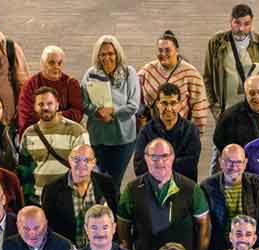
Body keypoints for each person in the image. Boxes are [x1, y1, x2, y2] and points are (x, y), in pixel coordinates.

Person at [118, 138, 211, 250]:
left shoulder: (191, 189)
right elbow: (123, 227)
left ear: (172, 157)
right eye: (153, 157)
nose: (159, 162)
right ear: (146, 158)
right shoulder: (132, 190)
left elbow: (204, 225)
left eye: (164, 156)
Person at [203, 3, 259, 120]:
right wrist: (215, 108)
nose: (241, 28)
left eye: (246, 24)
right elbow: (208, 77)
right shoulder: (216, 43)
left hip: (256, 110)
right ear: (230, 21)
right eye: (237, 23)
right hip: (227, 111)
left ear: (252, 22)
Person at [83, 35, 140, 184]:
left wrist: (112, 111)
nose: (107, 57)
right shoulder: (90, 74)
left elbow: (134, 105)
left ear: (117, 54)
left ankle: (114, 208)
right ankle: (99, 208)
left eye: (110, 53)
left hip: (122, 139)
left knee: (114, 182)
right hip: (97, 139)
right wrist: (97, 112)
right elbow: (83, 103)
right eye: (103, 54)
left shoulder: (129, 73)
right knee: (96, 182)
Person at [17, 87, 91, 204]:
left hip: (68, 199)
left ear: (57, 105)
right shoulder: (29, 134)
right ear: (35, 107)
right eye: (41, 104)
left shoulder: (76, 131)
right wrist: (27, 200)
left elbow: (84, 169)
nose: (45, 107)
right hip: (38, 199)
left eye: (49, 103)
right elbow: (24, 171)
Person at [41, 144, 120, 248]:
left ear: (94, 163)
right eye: (76, 160)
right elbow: (48, 228)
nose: (81, 164)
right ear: (69, 160)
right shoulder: (52, 190)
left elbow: (115, 217)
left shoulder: (107, 184)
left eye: (87, 160)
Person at [137, 30, 209, 133]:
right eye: (160, 50)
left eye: (167, 50)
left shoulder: (191, 74)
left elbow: (199, 109)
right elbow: (134, 94)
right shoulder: (147, 71)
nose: (163, 54)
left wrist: (195, 135)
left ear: (176, 50)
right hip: (151, 132)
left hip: (180, 133)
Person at [132, 82, 202, 181]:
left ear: (179, 104)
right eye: (164, 103)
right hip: (154, 187)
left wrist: (157, 164)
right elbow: (139, 165)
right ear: (157, 104)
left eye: (173, 103)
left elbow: (190, 165)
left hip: (183, 187)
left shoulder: (191, 130)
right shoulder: (146, 131)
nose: (169, 109)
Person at [17, 45, 83, 135]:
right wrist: (56, 117)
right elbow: (26, 117)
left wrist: (51, 117)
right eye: (52, 63)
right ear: (42, 64)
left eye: (59, 63)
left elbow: (78, 113)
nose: (56, 67)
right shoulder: (30, 85)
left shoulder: (71, 84)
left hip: (66, 136)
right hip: (37, 136)